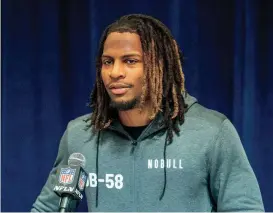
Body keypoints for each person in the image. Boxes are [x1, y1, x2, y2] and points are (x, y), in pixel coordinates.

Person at [31, 14, 264, 212]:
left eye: (130, 61)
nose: (115, 72)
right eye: (107, 62)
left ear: (159, 66)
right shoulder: (80, 135)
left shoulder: (212, 132)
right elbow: (47, 208)